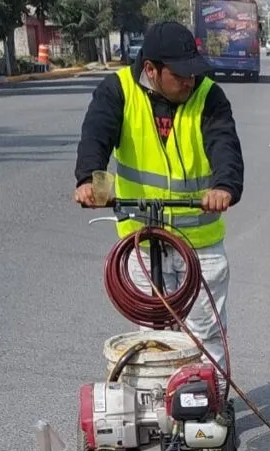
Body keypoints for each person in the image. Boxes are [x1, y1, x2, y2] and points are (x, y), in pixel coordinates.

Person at [73, 21, 244, 376]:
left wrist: (224, 186)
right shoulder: (117, 90)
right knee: (152, 339)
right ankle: (160, 413)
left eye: (193, 73)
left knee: (205, 335)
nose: (189, 82)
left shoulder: (209, 95)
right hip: (142, 239)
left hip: (200, 244)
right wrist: (90, 179)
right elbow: (97, 135)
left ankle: (208, 412)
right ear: (151, 69)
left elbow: (224, 144)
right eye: (180, 75)